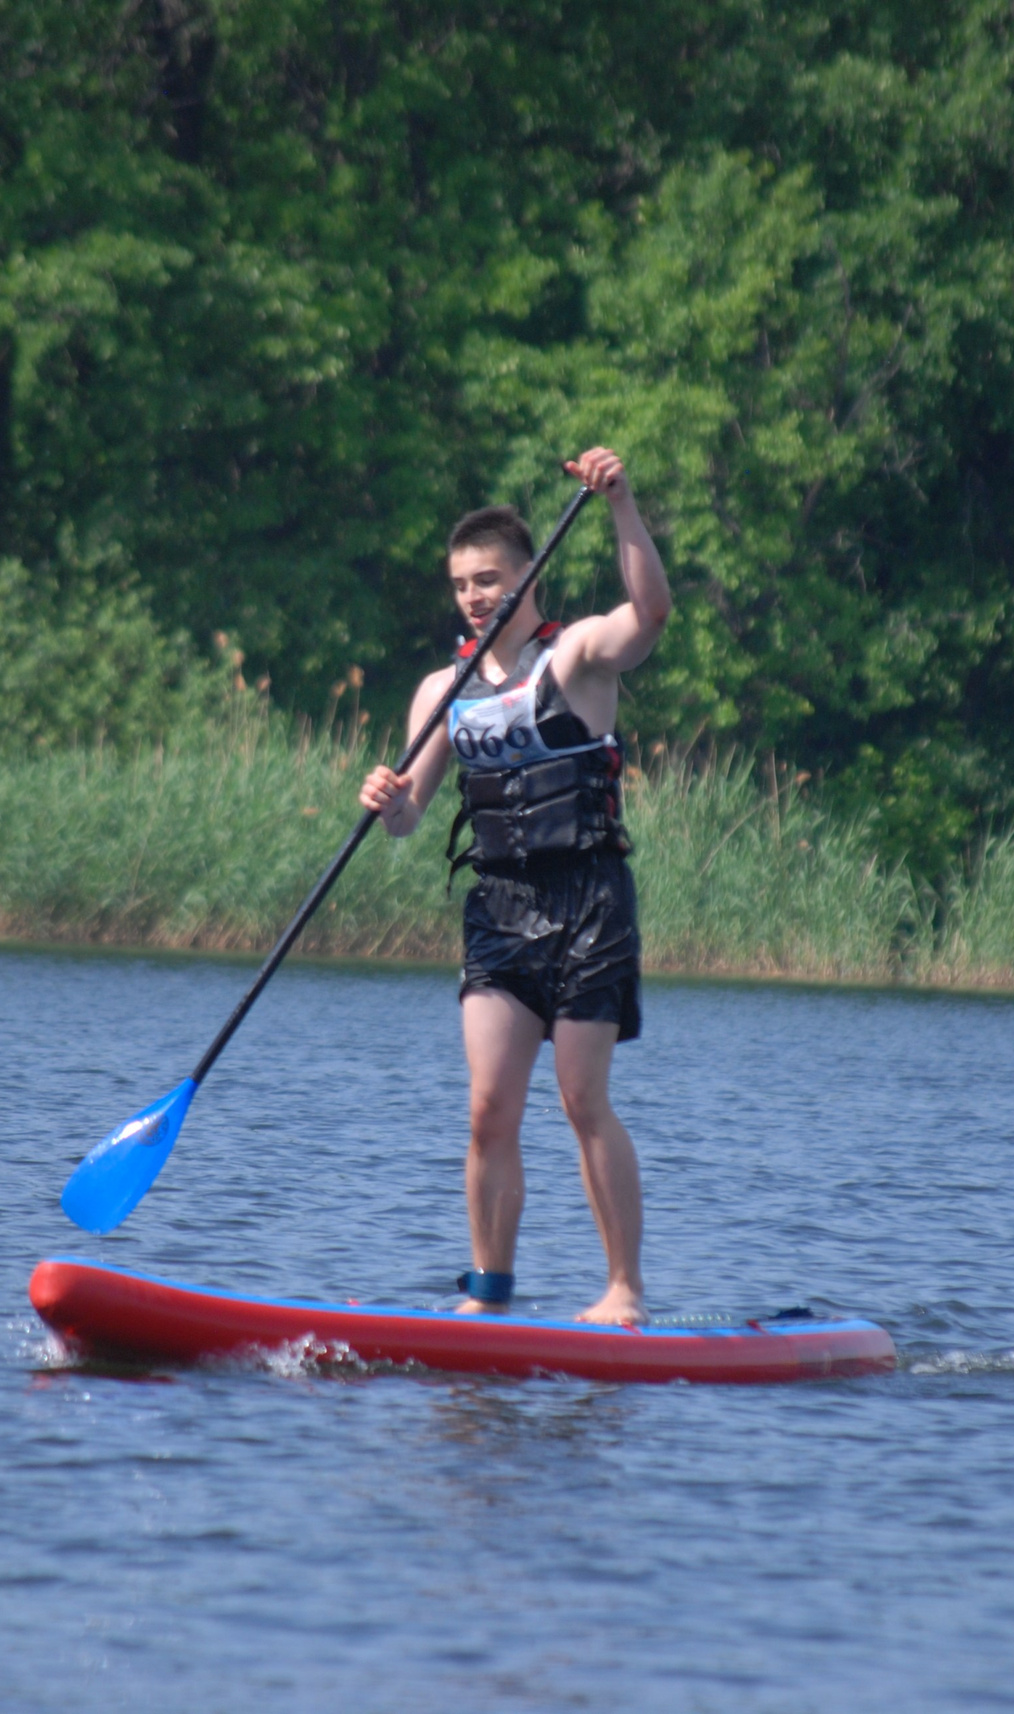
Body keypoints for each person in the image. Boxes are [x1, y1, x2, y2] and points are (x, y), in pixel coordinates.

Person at [359, 447, 672, 1324]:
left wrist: (620, 505)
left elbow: (649, 614)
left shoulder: (573, 657)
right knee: (489, 1109)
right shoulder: (441, 692)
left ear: (526, 575)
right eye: (460, 583)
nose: (472, 595)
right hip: (498, 909)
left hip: (589, 903)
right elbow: (410, 814)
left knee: (581, 1099)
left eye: (488, 578)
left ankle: (623, 1290)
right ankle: (487, 1294)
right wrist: (384, 798)